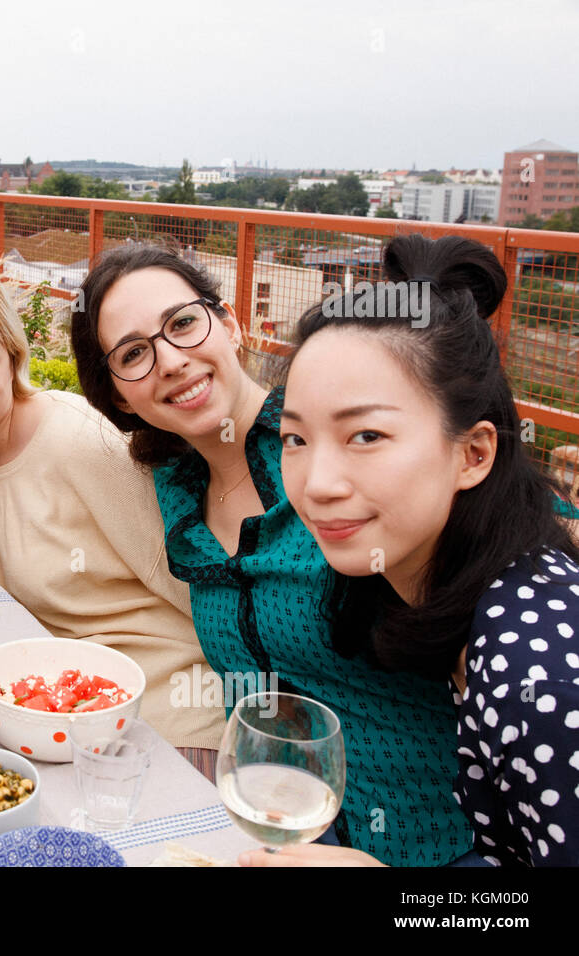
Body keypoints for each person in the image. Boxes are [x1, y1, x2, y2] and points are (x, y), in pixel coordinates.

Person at [69, 239, 475, 865]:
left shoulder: (342, 461)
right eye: (134, 354)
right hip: (268, 829)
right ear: (120, 397)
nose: (171, 361)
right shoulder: (173, 485)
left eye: (182, 323)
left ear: (229, 323)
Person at [248, 235, 579, 867]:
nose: (317, 485)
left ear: (473, 453)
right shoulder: (422, 586)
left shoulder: (538, 669)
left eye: (366, 435)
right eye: (295, 438)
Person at [0, 258, 224, 770]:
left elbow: (196, 592)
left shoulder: (81, 440)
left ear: (13, 358)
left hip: (164, 717)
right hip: (56, 713)